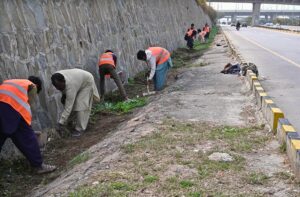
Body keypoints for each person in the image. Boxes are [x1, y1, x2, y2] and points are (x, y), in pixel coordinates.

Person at [0, 76, 56, 174]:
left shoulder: (11, 81)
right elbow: (28, 105)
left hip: (5, 108)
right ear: (37, 86)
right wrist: (29, 127)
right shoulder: (32, 86)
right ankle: (39, 166)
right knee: (27, 137)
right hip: (11, 109)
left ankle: (37, 164)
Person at [51, 68, 100, 137]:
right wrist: (63, 94)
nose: (59, 89)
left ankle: (80, 129)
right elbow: (63, 89)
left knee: (80, 105)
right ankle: (70, 122)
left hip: (86, 82)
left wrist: (60, 122)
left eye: (61, 87)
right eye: (58, 87)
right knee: (70, 103)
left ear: (64, 82)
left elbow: (68, 107)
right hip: (78, 80)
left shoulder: (70, 86)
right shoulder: (55, 77)